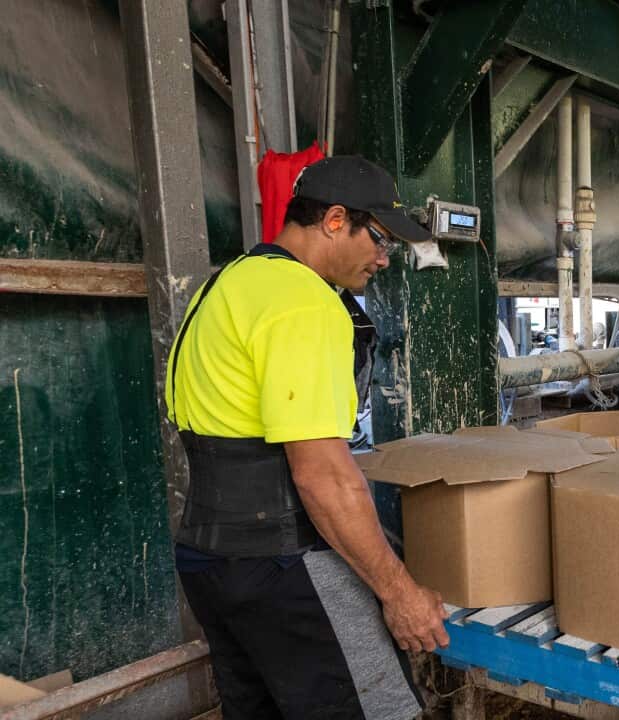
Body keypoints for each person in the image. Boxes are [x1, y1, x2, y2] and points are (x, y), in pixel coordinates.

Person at [165, 156, 448, 720]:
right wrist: (400, 593)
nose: (384, 258)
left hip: (207, 561)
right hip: (286, 566)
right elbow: (322, 475)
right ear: (336, 220)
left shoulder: (226, 283)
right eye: (380, 238)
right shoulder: (303, 302)